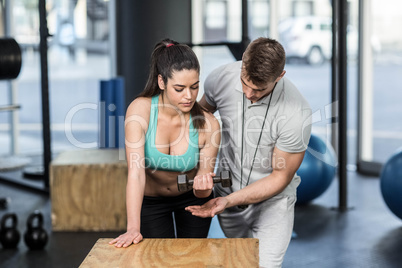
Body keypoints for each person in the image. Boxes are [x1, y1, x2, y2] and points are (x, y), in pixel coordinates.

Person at [186, 37, 312, 267]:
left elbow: (279, 177)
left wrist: (227, 201)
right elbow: (200, 118)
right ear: (242, 63)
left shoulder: (297, 113)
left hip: (273, 202)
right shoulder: (220, 78)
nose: (249, 94)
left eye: (259, 89)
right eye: (245, 83)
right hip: (227, 194)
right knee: (242, 262)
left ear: (280, 76)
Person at [109, 38, 221, 248]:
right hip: (151, 201)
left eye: (195, 87)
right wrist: (133, 227)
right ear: (162, 82)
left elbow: (202, 190)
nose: (189, 96)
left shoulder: (208, 124)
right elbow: (136, 172)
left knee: (192, 260)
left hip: (191, 199)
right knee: (156, 259)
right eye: (179, 89)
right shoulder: (139, 111)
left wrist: (204, 188)